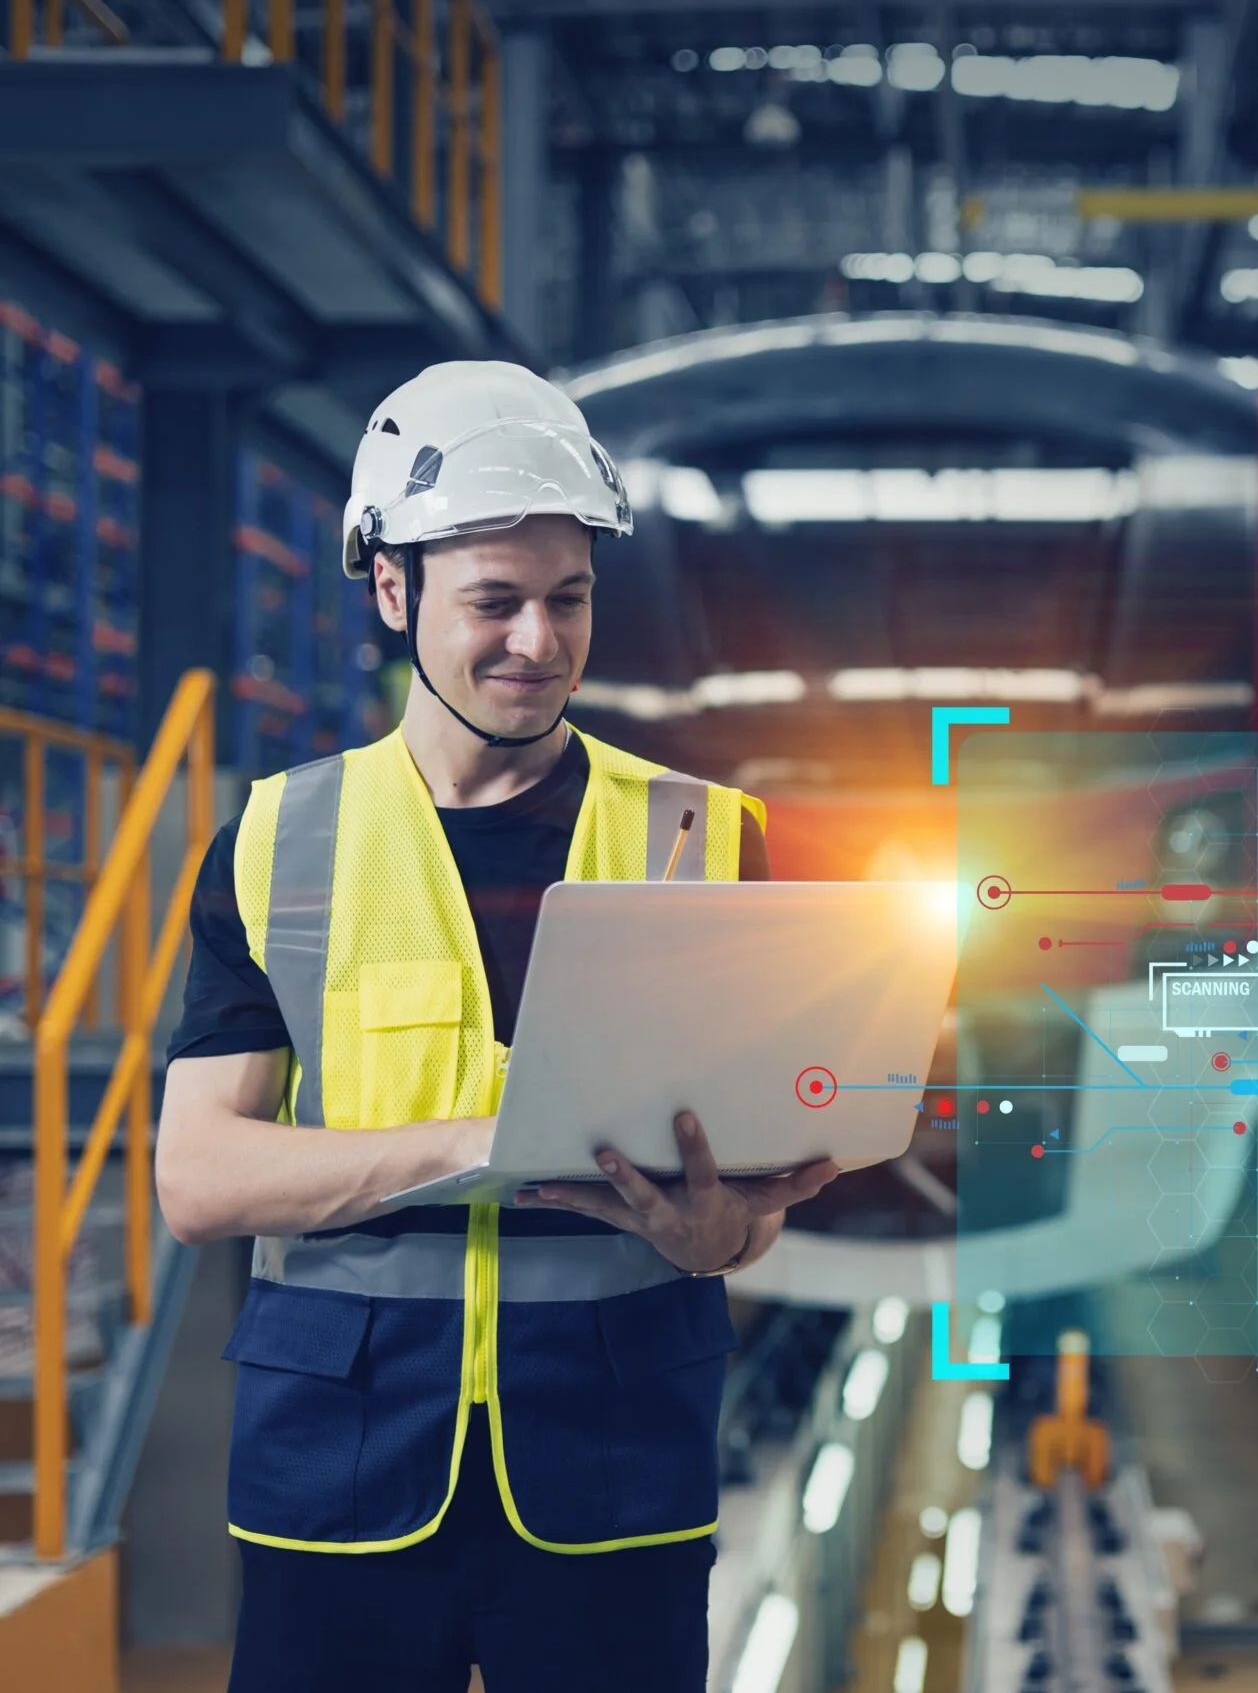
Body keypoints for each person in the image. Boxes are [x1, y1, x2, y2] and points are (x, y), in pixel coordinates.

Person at [156, 361, 839, 1692]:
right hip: (341, 1465)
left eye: (570, 598)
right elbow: (199, 1176)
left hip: (612, 1460)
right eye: (497, 602)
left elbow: (744, 1190)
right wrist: (477, 1139)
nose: (540, 640)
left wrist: (726, 1235)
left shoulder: (703, 837)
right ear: (393, 588)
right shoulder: (282, 841)